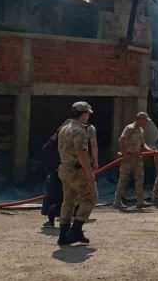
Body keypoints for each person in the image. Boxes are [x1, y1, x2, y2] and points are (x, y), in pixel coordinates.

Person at [56, 101, 97, 246]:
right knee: (90, 198)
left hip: (65, 168)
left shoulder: (65, 128)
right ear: (84, 114)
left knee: (68, 201)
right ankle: (75, 230)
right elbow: (81, 154)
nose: (88, 116)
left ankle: (63, 235)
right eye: (88, 113)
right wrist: (89, 173)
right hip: (77, 170)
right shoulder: (79, 131)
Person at [114, 112, 153, 209]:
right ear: (139, 119)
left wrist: (152, 151)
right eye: (145, 120)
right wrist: (125, 153)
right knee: (123, 179)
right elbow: (121, 140)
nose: (145, 122)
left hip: (137, 158)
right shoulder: (129, 128)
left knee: (140, 179)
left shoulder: (141, 130)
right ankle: (117, 202)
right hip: (128, 158)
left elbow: (142, 145)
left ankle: (140, 202)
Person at [40, 130, 62, 228]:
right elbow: (47, 150)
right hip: (57, 171)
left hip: (60, 169)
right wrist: (55, 166)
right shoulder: (56, 140)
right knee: (55, 196)